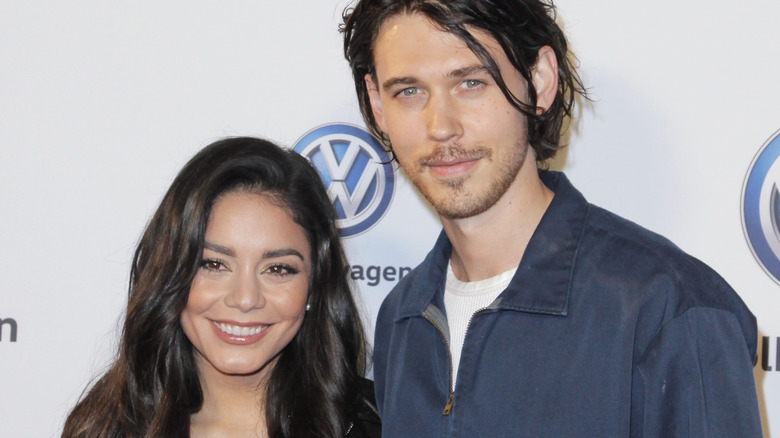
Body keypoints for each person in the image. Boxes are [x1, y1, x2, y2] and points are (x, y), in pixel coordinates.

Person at [341, 1, 763, 436]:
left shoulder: (667, 307)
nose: (441, 127)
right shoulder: (402, 317)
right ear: (377, 104)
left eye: (470, 82)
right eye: (408, 91)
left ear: (540, 81)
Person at [62, 137, 380, 438]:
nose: (244, 299)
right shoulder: (105, 429)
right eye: (214, 264)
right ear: (171, 274)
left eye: (278, 269)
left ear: (315, 286)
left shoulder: (386, 422)